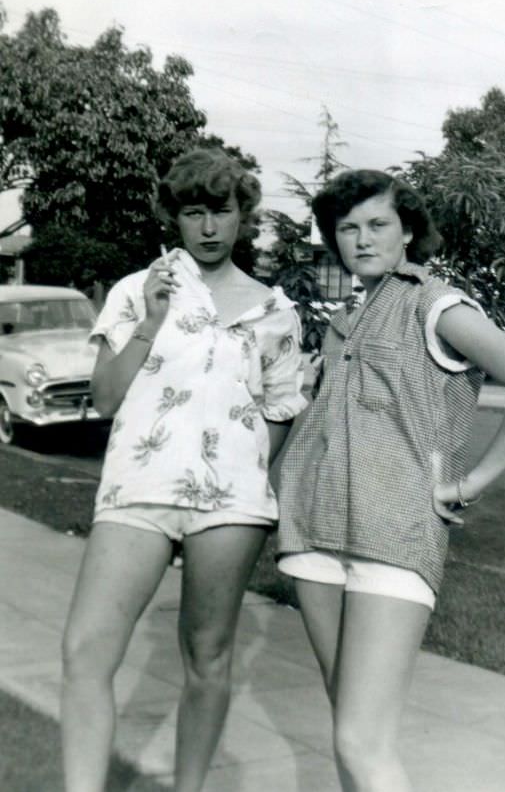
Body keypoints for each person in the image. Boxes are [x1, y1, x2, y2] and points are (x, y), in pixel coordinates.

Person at [276, 169, 505, 792]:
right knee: (351, 734)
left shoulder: (435, 303)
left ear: (408, 230)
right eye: (346, 228)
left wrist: (469, 482)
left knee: (361, 742)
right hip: (315, 530)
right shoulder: (345, 319)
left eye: (378, 224)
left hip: (395, 536)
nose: (361, 239)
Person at [61, 148, 306, 792]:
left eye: (220, 212)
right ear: (173, 216)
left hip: (232, 503)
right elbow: (108, 398)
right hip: (138, 491)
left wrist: (242, 474)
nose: (206, 228)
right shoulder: (138, 290)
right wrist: (151, 321)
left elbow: (279, 412)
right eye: (192, 212)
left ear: (242, 216)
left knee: (208, 658)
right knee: (86, 651)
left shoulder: (275, 311)